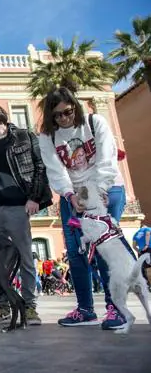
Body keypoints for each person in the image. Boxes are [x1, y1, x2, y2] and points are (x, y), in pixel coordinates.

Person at [38, 86, 133, 329]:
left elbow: (107, 159)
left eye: (67, 112)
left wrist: (96, 194)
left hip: (106, 187)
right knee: (75, 251)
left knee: (103, 246)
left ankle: (116, 308)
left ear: (75, 107)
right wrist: (70, 195)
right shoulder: (47, 136)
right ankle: (84, 309)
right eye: (57, 115)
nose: (63, 118)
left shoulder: (94, 122)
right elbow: (56, 171)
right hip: (74, 195)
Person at [0, 102, 53, 326]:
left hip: (18, 208)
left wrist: (34, 198)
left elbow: (40, 167)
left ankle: (29, 307)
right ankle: (3, 308)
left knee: (25, 257)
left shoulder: (25, 137)